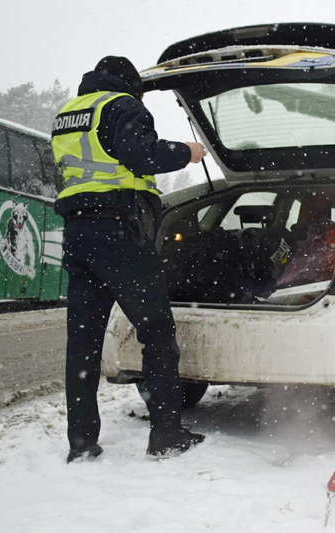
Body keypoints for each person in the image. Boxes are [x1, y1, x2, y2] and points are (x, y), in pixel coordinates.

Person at [52, 56, 208, 461]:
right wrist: (186, 152)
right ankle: (167, 434)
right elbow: (144, 156)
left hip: (79, 234)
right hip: (119, 232)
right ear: (127, 81)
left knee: (82, 343)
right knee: (156, 332)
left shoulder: (68, 115)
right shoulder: (120, 104)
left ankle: (82, 443)